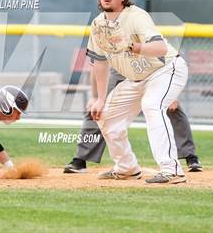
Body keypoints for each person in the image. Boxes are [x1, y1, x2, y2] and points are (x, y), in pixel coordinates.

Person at [85, 0, 190, 184]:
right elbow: (100, 62)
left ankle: (172, 170)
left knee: (152, 105)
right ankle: (127, 168)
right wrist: (100, 98)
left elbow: (160, 48)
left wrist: (133, 46)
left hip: (166, 69)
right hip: (136, 79)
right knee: (106, 115)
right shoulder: (98, 25)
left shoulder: (136, 16)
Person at [64, 67, 203, 174]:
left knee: (172, 108)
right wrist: (96, 97)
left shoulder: (143, 33)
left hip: (150, 73)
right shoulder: (102, 36)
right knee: (97, 109)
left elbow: (168, 64)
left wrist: (171, 94)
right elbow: (97, 66)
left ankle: (190, 156)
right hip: (119, 74)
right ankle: (80, 160)